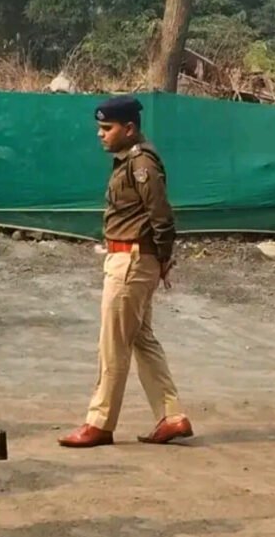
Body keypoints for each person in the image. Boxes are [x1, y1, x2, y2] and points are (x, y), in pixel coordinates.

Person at [58, 95, 193, 448]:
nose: (100, 134)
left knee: (113, 344)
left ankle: (99, 423)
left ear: (129, 128)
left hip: (131, 260)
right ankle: (171, 416)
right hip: (131, 258)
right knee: (141, 339)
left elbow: (161, 215)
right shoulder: (127, 162)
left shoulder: (140, 163)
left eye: (107, 128)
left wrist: (163, 259)